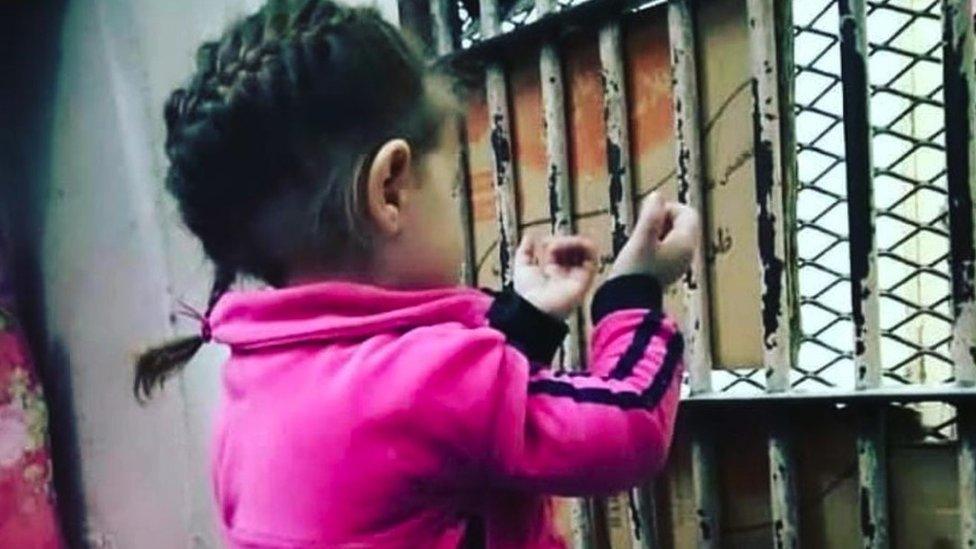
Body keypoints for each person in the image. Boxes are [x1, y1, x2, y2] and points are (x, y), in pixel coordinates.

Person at [134, 1, 699, 546]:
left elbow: (432, 447)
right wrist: (633, 292)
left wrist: (522, 321)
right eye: (449, 183)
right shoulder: (418, 386)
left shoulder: (252, 387)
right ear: (391, 189)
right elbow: (629, 426)